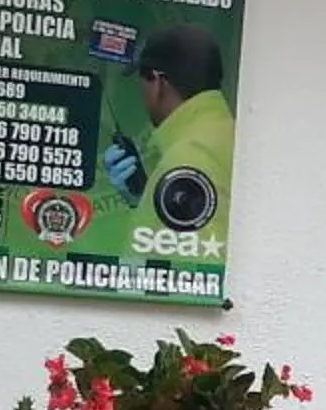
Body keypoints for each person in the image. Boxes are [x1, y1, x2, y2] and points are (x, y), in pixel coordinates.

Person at [101, 24, 236, 253]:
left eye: (142, 82)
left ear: (158, 82)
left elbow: (182, 265)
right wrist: (143, 198)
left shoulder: (188, 156)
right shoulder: (229, 135)